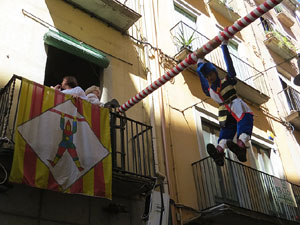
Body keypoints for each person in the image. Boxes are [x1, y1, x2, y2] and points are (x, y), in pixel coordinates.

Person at [196, 38, 254, 166]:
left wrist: (223, 47)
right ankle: (231, 148)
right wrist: (223, 45)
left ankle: (226, 149)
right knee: (242, 122)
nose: (210, 77)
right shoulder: (216, 85)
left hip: (226, 110)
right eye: (208, 76)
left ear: (215, 73)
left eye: (211, 74)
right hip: (233, 107)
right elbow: (202, 76)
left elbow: (229, 65)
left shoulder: (216, 86)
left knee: (231, 128)